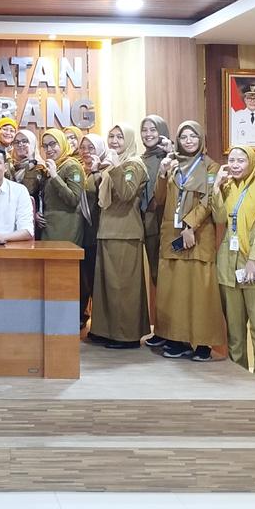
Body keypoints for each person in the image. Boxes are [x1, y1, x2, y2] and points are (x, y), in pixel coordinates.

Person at [151, 121, 221, 362]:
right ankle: (176, 339)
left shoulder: (211, 166)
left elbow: (210, 200)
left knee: (200, 290)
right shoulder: (172, 164)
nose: (189, 141)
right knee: (175, 290)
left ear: (201, 139)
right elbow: (160, 198)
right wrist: (162, 173)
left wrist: (191, 226)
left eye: (193, 136)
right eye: (184, 137)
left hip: (198, 236)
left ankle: (202, 342)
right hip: (173, 234)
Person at [212, 144, 255, 380]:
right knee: (235, 334)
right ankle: (240, 382)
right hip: (228, 266)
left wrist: (253, 259)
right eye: (232, 160)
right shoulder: (226, 187)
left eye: (241, 160)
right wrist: (216, 187)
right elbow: (219, 218)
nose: (236, 165)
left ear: (251, 162)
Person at [88, 124, 149, 349]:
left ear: (129, 140)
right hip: (107, 230)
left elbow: (125, 194)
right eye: (111, 136)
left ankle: (127, 336)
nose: (114, 141)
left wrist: (115, 167)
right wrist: (98, 171)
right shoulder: (116, 163)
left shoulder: (134, 164)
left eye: (120, 137)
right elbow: (105, 195)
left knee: (123, 289)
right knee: (106, 288)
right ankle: (105, 331)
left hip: (125, 232)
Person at [138, 114, 171, 288]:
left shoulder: (173, 157)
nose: (148, 134)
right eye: (144, 130)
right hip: (149, 222)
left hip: (167, 220)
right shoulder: (140, 159)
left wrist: (171, 153)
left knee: (170, 272)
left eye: (153, 130)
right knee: (155, 272)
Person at [39, 129, 88, 246]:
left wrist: (55, 176)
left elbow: (74, 199)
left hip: (66, 228)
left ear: (62, 143)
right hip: (49, 226)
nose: (49, 149)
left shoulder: (72, 166)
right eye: (45, 146)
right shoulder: (54, 166)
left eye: (52, 144)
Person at [77, 132, 105, 329]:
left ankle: (100, 323)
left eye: (91, 148)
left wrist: (96, 172)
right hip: (81, 232)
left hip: (98, 231)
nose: (86, 152)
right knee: (82, 278)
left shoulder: (105, 170)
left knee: (97, 280)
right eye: (83, 148)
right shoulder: (78, 170)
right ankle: (82, 315)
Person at [10, 128, 47, 235]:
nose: (20, 144)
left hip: (32, 218)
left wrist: (31, 163)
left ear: (32, 144)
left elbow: (29, 190)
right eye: (17, 142)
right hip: (11, 216)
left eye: (25, 141)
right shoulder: (12, 166)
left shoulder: (39, 167)